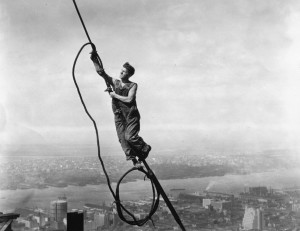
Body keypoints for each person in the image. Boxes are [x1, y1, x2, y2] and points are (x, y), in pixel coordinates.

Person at [90, 53, 151, 166]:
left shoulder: (132, 85)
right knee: (122, 139)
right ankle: (134, 160)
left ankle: (144, 147)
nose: (121, 72)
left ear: (129, 74)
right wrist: (94, 59)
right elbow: (101, 73)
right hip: (119, 115)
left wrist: (114, 95)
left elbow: (129, 99)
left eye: (125, 71)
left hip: (131, 115)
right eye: (121, 70)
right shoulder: (116, 82)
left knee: (130, 137)